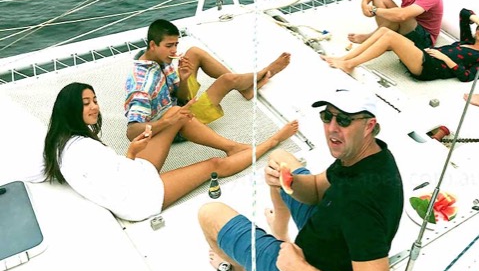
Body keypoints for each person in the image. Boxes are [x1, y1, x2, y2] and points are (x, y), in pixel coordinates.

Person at [198, 87, 403, 271]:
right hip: (329, 229)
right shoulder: (367, 156)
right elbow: (315, 190)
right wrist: (289, 181)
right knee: (280, 157)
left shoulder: (361, 202)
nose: (332, 128)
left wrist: (299, 269)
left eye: (344, 121)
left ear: (369, 126)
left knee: (209, 214)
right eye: (327, 116)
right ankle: (281, 234)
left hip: (305, 268)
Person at [43, 82, 298, 221]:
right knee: (213, 165)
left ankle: (234, 147)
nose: (94, 107)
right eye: (86, 103)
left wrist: (134, 154)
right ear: (70, 109)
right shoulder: (85, 149)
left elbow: (111, 174)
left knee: (177, 115)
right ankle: (271, 142)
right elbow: (120, 179)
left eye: (95, 100)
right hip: (140, 198)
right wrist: (132, 153)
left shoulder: (59, 142)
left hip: (131, 178)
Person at [125, 19, 291, 143]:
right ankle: (264, 72)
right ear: (153, 45)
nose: (174, 50)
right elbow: (132, 132)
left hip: (177, 104)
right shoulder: (142, 86)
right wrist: (167, 121)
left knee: (194, 52)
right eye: (169, 46)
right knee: (226, 80)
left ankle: (246, 89)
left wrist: (183, 80)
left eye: (176, 44)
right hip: (174, 126)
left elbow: (181, 97)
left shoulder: (158, 59)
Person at [328, 8, 479, 82]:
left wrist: (445, 58)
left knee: (390, 37)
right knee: (384, 32)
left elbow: (467, 76)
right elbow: (464, 13)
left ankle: (349, 64)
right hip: (425, 56)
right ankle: (344, 58)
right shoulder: (467, 41)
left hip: (431, 68)